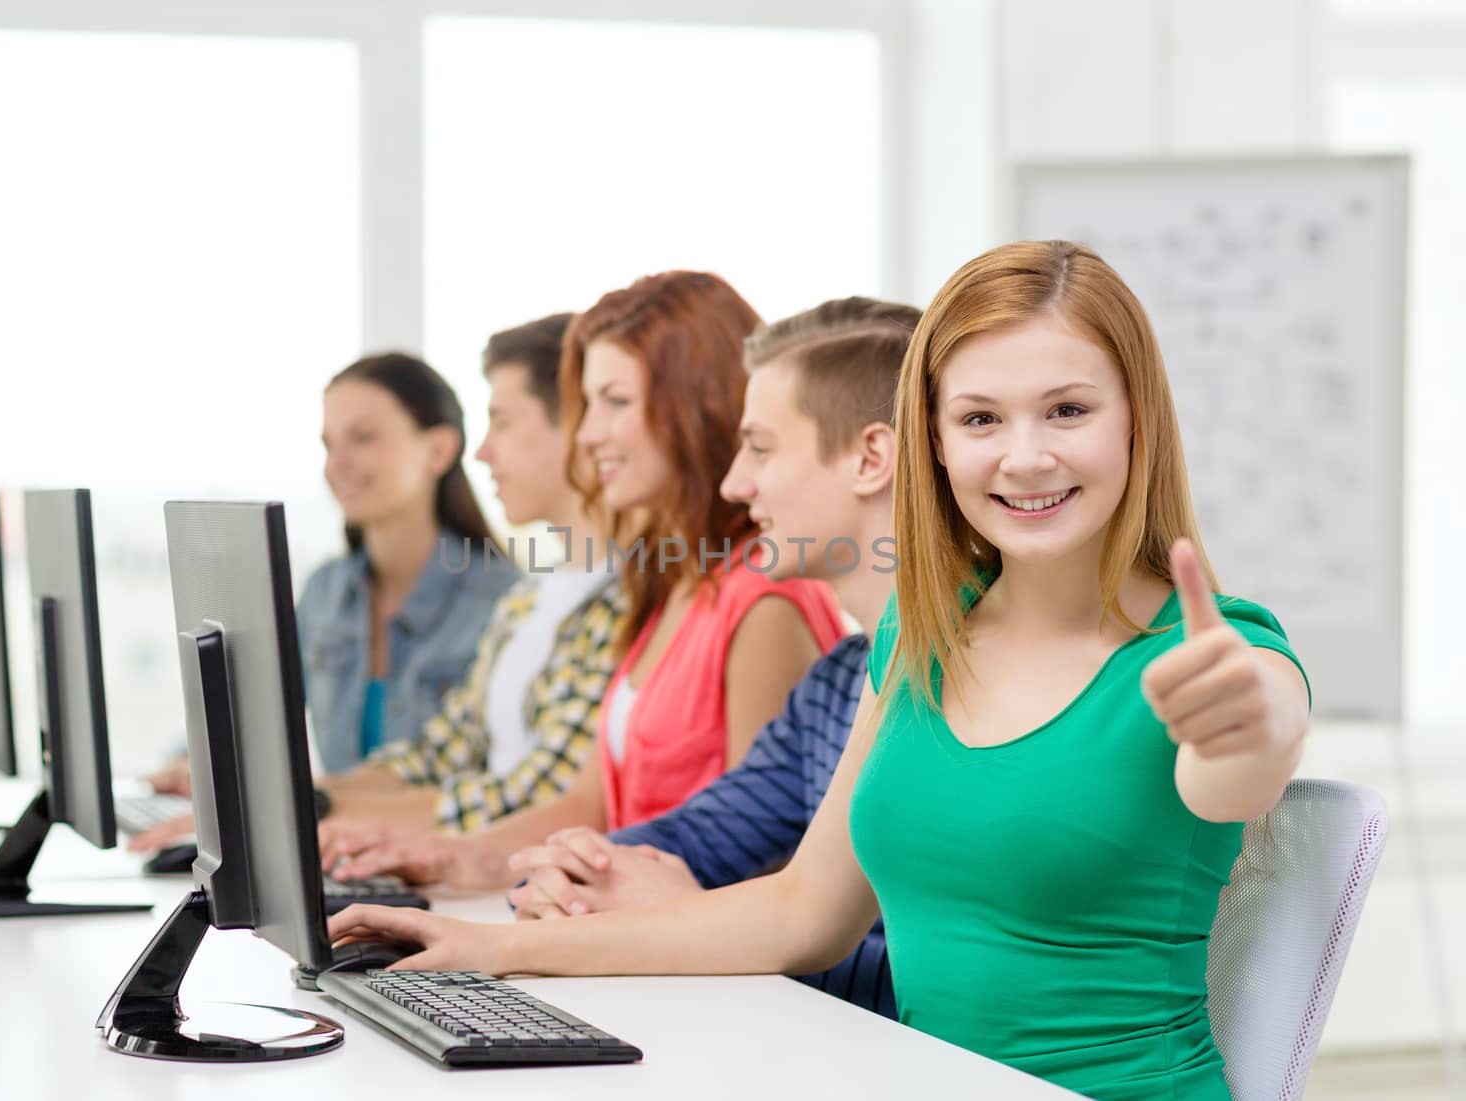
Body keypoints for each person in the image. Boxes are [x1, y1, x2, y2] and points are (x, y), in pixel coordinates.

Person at [327, 242, 1313, 1101]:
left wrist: (1240, 726)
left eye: (1066, 410)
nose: (1023, 458)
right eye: (978, 420)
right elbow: (802, 915)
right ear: (931, 442)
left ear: (1136, 420)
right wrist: (493, 952)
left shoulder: (1215, 657)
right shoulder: (917, 641)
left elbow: (1241, 757)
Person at [319, 271, 845, 888]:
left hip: (693, 970)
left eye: (614, 402)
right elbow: (588, 806)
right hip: (630, 948)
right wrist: (448, 857)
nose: (588, 433)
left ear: (694, 402)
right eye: (588, 404)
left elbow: (762, 862)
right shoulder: (668, 588)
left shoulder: (763, 601)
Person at [504, 297, 916, 1022]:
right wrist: (569, 875)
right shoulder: (838, 683)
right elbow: (699, 834)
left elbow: (947, 980)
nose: (736, 483)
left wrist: (696, 916)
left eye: (760, 448)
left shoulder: (967, 685)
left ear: (871, 458)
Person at [133, 352, 520, 831]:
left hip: (450, 864)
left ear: (439, 450)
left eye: (362, 438)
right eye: (328, 444)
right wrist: (188, 766)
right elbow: (249, 711)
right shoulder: (326, 593)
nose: (336, 465)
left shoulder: (505, 601)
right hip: (343, 851)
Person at [309, 313, 627, 832]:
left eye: (501, 421)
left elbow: (538, 795)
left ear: (574, 425)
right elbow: (438, 754)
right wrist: (300, 804)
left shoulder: (625, 601)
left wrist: (323, 817)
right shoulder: (527, 600)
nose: (481, 451)